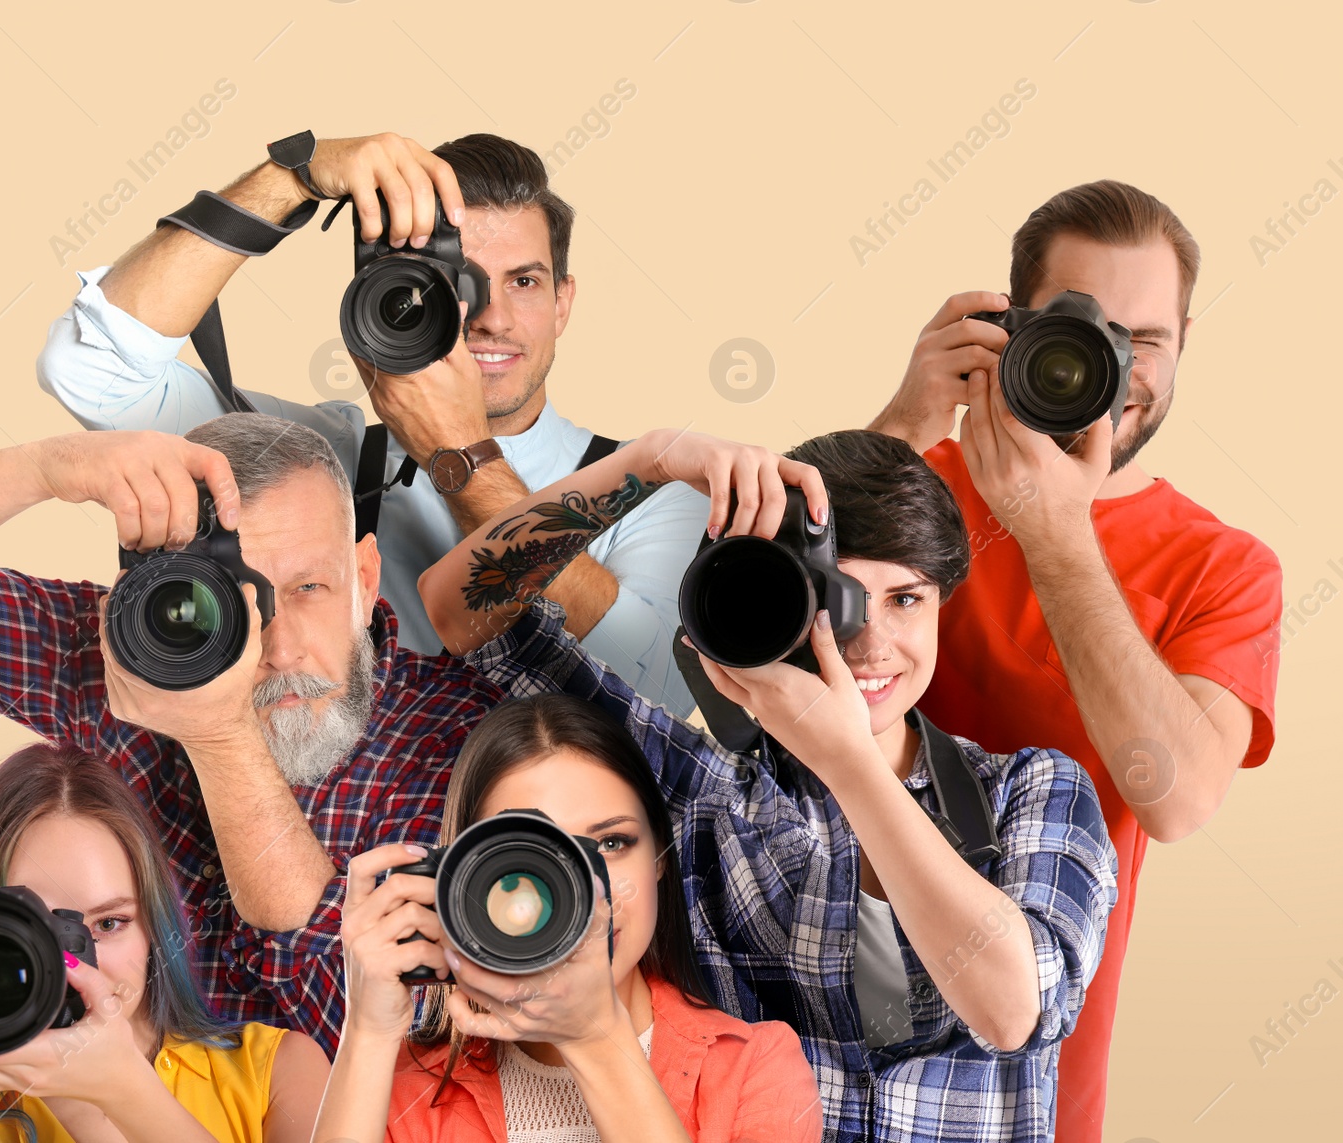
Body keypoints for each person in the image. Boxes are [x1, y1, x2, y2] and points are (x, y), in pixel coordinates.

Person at [415, 426, 1118, 1142]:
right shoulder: (708, 797)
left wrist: (852, 762)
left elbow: (1012, 1009)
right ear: (779, 601)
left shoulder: (1033, 791)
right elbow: (464, 609)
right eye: (839, 601)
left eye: (906, 600)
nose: (872, 641)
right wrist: (647, 463)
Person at [0, 414, 529, 1056]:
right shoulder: (129, 658)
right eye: (239, 597)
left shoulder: (467, 738)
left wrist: (219, 738)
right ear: (166, 585)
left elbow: (406, 1043)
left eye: (310, 588)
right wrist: (47, 466)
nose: (276, 647)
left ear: (366, 577)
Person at [866, 179, 1283, 1140]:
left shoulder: (1223, 566)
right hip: (817, 1034)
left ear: (1182, 348)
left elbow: (1174, 798)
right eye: (1079, 327)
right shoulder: (910, 480)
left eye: (1146, 341)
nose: (1113, 366)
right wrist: (897, 423)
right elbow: (746, 653)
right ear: (1005, 326)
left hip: (1032, 1079)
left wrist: (1051, 529)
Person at [36, 130, 709, 714]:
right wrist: (288, 177)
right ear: (396, 292)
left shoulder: (654, 488)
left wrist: (459, 452)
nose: (491, 318)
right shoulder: (323, 460)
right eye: (461, 282)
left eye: (525, 283)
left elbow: (660, 690)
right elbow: (91, 366)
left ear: (563, 303)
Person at [314, 694, 822, 1142]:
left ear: (659, 855)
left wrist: (594, 1037)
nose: (587, 897)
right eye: (535, 858)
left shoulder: (756, 1067)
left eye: (610, 843)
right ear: (465, 881)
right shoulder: (402, 1093)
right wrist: (367, 1032)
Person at [0, 741, 327, 1143]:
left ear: (155, 926)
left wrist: (119, 1095)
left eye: (108, 924)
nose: (77, 968)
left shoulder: (278, 1072)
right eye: (36, 934)